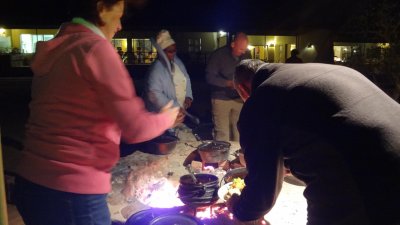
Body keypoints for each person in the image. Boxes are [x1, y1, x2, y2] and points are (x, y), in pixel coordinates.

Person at [13, 1, 179, 225]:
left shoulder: (60, 47)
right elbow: (135, 126)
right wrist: (167, 117)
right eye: (118, 15)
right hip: (72, 190)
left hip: (30, 184)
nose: (119, 25)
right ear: (101, 7)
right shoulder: (95, 48)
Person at [227, 59, 400, 225]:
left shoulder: (261, 100)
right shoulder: (317, 71)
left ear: (242, 90)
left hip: (366, 173)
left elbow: (262, 188)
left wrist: (241, 209)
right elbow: (325, 125)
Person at [143, 29, 193, 133]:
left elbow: (186, 78)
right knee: (165, 139)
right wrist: (175, 107)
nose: (173, 54)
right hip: (161, 114)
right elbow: (154, 93)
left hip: (178, 112)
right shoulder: (156, 69)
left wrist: (188, 96)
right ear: (161, 52)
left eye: (174, 50)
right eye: (170, 51)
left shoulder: (178, 63)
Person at [205, 32, 251, 142]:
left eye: (245, 49)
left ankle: (238, 157)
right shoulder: (218, 55)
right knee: (222, 133)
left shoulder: (246, 55)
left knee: (239, 131)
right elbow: (209, 77)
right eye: (241, 49)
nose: (243, 52)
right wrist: (228, 83)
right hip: (221, 98)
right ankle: (221, 158)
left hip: (239, 98)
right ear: (233, 44)